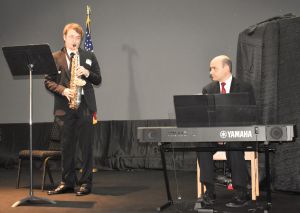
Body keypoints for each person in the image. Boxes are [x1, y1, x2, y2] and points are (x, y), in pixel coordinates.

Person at [45, 23, 101, 196]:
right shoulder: (55, 57)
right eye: (71, 36)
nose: (74, 40)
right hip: (64, 108)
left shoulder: (89, 55)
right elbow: (48, 81)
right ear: (64, 37)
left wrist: (87, 73)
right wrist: (63, 90)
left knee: (86, 147)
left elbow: (98, 79)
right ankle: (67, 182)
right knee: (67, 147)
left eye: (78, 37)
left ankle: (85, 183)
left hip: (85, 107)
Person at [196, 55, 255, 208]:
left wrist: (228, 133)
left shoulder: (245, 88)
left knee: (234, 144)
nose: (211, 72)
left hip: (237, 134)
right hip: (215, 136)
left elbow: (250, 115)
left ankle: (241, 192)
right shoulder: (207, 89)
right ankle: (209, 190)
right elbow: (206, 118)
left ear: (226, 68)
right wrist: (216, 134)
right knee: (202, 143)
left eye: (214, 68)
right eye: (210, 69)